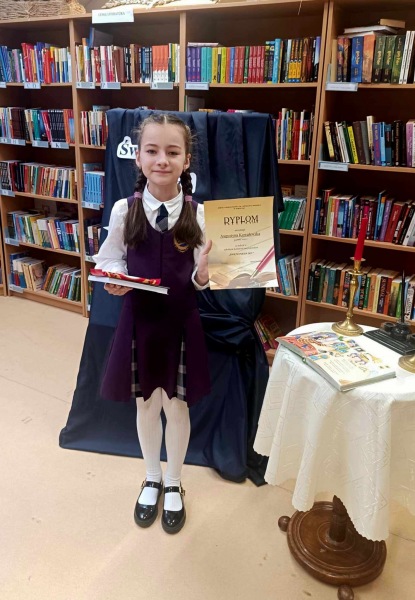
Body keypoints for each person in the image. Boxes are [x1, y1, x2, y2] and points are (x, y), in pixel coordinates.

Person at [93, 113, 212, 534]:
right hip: (139, 322)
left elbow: (201, 280)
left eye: (173, 152)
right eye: (152, 151)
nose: (162, 160)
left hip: (180, 322)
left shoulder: (199, 214)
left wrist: (204, 273)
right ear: (138, 158)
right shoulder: (125, 209)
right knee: (146, 403)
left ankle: (175, 482)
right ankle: (152, 477)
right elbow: (110, 259)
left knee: (176, 405)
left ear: (186, 160)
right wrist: (114, 279)